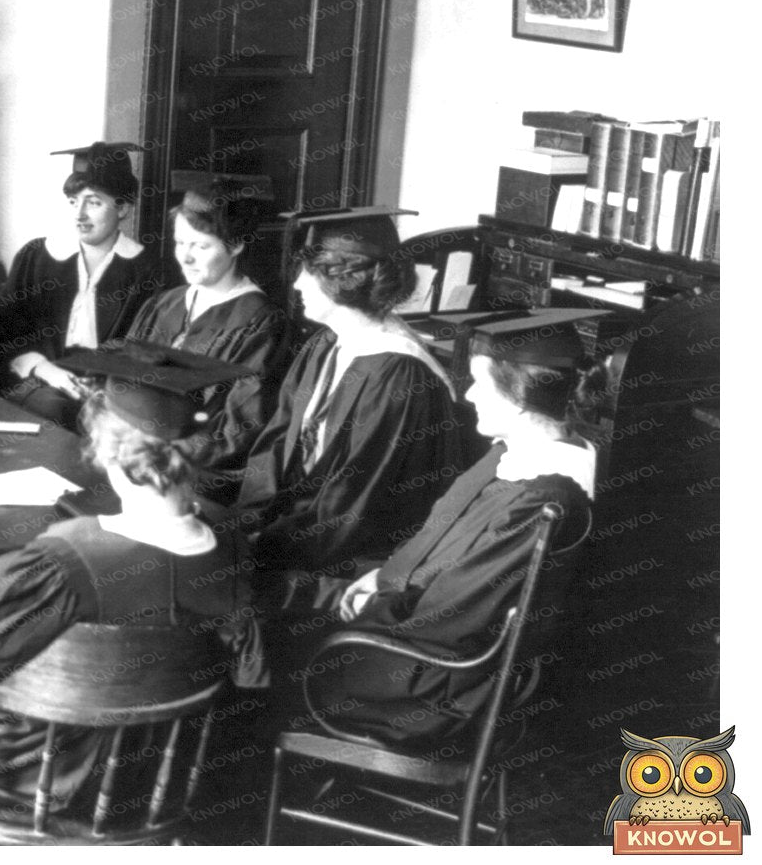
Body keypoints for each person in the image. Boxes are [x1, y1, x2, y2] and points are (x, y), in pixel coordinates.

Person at [0, 346, 262, 843]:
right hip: (156, 776)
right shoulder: (235, 546)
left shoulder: (66, 559)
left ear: (108, 455)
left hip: (33, 781)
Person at [263, 309, 603, 746]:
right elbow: (440, 548)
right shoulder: (513, 456)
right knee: (273, 598)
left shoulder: (543, 500)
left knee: (265, 640)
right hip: (411, 628)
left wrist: (369, 601)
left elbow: (452, 618)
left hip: (430, 681)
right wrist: (381, 576)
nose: (469, 395)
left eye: (480, 382)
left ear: (517, 396)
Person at [216, 208, 475, 577]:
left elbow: (355, 502)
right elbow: (278, 442)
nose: (297, 286)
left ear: (344, 278)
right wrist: (248, 521)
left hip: (353, 557)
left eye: (307, 273)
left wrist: (260, 548)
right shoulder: (325, 343)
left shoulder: (398, 374)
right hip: (297, 525)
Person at [0, 141, 165, 429]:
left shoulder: (146, 270)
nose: (80, 214)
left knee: (115, 424)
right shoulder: (37, 256)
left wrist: (105, 382)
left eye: (94, 202)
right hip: (35, 378)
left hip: (112, 391)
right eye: (74, 202)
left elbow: (152, 350)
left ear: (123, 208)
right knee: (57, 410)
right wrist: (44, 368)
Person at [121, 174, 290, 475]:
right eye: (179, 242)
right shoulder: (164, 303)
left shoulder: (260, 322)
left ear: (236, 245)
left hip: (195, 471)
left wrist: (159, 455)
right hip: (131, 454)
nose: (184, 257)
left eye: (200, 246)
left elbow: (241, 428)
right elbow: (121, 379)